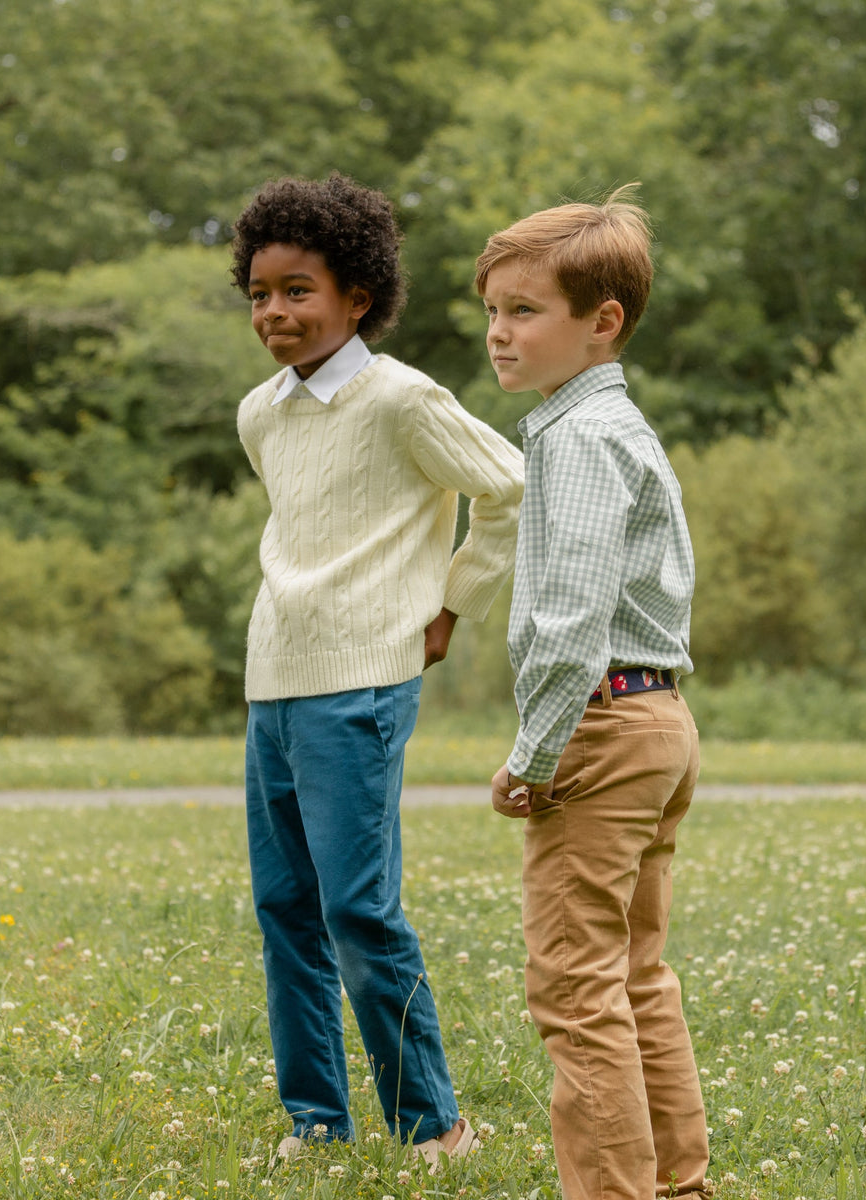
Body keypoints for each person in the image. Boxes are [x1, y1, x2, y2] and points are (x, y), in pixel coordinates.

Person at [230, 172, 525, 1168]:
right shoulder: (259, 416)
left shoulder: (402, 398)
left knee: (359, 906)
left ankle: (434, 1125)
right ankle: (316, 1125)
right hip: (273, 677)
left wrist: (452, 604)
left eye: (299, 290)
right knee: (285, 909)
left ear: (357, 294)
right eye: (261, 292)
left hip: (362, 682)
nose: (277, 310)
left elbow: (508, 487)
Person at [477, 187, 711, 1200]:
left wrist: (532, 753)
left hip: (602, 727)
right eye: (491, 310)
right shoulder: (619, 427)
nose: (499, 333)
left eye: (525, 311)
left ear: (601, 321)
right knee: (635, 978)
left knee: (577, 992)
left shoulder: (574, 440)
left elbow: (570, 620)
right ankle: (681, 1183)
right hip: (658, 719)